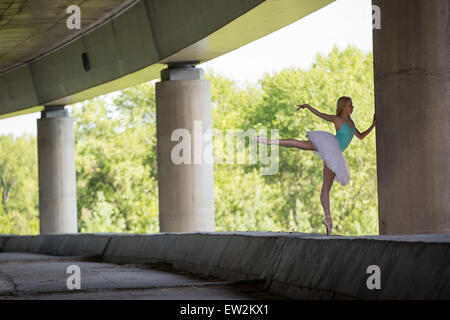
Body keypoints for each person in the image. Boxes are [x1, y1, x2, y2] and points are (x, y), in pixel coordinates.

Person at [254, 96, 376, 236]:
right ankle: (269, 141)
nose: (353, 107)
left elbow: (360, 136)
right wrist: (308, 106)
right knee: (300, 144)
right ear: (343, 107)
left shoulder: (352, 123)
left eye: (352, 105)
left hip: (335, 153)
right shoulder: (337, 120)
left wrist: (373, 125)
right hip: (331, 146)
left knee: (326, 186)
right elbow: (322, 115)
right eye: (350, 105)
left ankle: (328, 220)